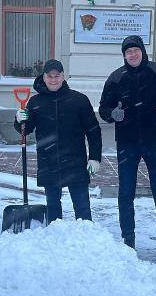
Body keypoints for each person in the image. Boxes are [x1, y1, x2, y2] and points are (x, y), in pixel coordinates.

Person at [98, 35, 156, 263]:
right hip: (127, 143)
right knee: (125, 194)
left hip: (154, 140)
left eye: (135, 50)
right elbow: (104, 108)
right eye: (128, 52)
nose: (132, 55)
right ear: (124, 55)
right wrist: (111, 114)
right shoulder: (116, 78)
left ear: (142, 52)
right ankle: (128, 243)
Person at [14, 59, 102, 222]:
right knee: (53, 207)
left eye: (57, 75)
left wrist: (95, 157)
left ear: (63, 76)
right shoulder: (35, 102)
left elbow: (93, 131)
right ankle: (55, 240)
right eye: (50, 76)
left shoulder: (79, 100)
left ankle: (86, 241)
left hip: (75, 161)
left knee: (82, 207)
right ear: (44, 77)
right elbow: (25, 130)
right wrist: (19, 120)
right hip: (49, 162)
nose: (53, 79)